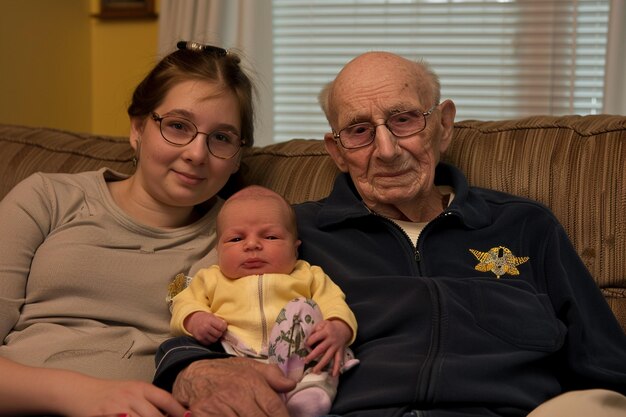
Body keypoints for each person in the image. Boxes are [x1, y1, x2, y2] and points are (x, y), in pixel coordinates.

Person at [153, 51, 626, 417]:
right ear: (336, 152)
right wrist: (190, 368)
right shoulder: (292, 233)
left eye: (403, 120)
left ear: (443, 126)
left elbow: (606, 362)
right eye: (358, 131)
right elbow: (205, 306)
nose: (385, 149)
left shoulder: (524, 225)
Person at [0, 41, 267, 417]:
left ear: (238, 156)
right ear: (138, 128)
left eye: (221, 138)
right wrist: (82, 395)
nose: (196, 153)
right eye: (178, 126)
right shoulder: (47, 198)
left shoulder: (241, 242)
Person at [169, 185, 358, 417]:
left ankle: (311, 392)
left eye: (270, 236)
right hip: (237, 356)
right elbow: (183, 303)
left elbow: (334, 302)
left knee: (323, 350)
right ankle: (267, 397)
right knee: (232, 387)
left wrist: (339, 327)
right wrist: (195, 318)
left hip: (303, 356)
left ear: (295, 248)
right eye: (236, 238)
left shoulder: (308, 274)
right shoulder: (210, 278)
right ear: (218, 250)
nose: (252, 245)